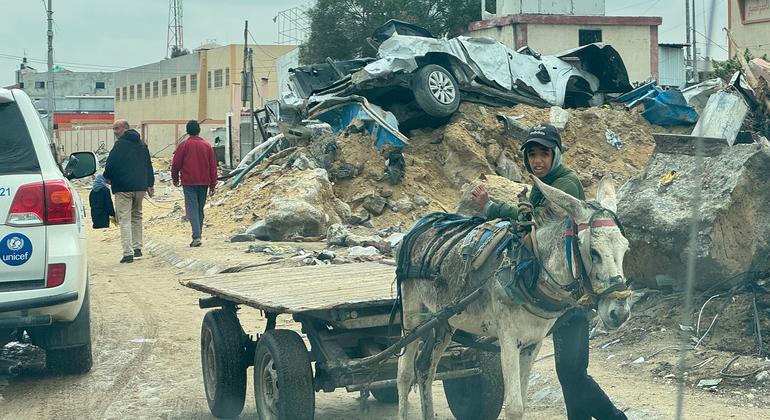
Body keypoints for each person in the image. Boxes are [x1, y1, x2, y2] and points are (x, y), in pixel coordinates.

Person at [471, 123, 627, 420]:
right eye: (532, 154)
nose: (537, 160)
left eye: (544, 153)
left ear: (556, 154)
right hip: (559, 293)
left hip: (573, 297)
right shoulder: (545, 182)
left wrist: (492, 207)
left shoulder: (564, 185)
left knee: (571, 373)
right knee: (569, 374)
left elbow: (538, 222)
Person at [103, 119, 155, 263]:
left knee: (124, 219)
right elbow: (148, 165)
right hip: (140, 187)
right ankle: (137, 248)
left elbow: (111, 164)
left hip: (123, 188)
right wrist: (150, 184)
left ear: (126, 128)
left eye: (117, 128)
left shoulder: (119, 146)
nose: (115, 132)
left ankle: (128, 253)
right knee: (137, 216)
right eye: (113, 129)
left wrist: (107, 177)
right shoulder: (142, 144)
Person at [171, 120, 217, 247]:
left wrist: (175, 179)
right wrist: (213, 184)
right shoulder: (207, 146)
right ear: (199, 130)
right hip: (204, 182)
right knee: (199, 209)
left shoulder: (183, 146)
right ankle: (198, 233)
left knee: (192, 208)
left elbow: (176, 164)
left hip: (189, 182)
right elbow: (213, 166)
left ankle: (196, 236)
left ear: (187, 131)